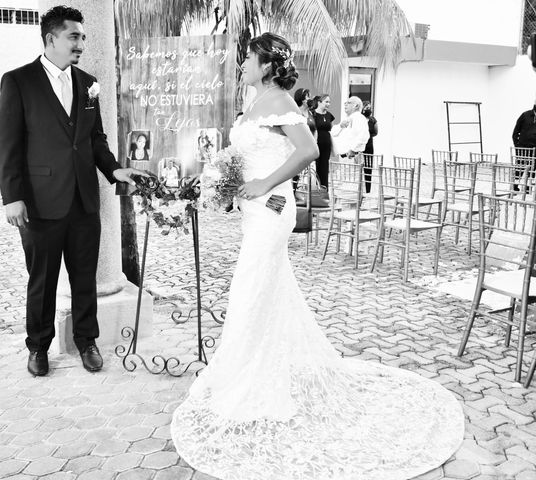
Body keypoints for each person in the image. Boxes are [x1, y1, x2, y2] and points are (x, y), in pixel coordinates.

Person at [171, 32, 464, 480]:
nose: (242, 64)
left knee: (249, 289)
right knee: (266, 291)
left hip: (271, 209)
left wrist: (265, 184)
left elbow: (308, 150)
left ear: (267, 66)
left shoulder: (278, 102)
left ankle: (249, 385)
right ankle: (259, 370)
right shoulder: (255, 102)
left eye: (248, 58)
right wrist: (228, 180)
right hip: (253, 209)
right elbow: (251, 154)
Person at [0, 6, 146, 377]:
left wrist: (113, 169)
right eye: (73, 36)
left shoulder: (88, 82)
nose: (80, 43)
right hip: (39, 202)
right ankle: (38, 348)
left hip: (83, 199)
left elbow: (95, 139)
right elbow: (7, 144)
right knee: (42, 281)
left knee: (85, 278)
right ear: (51, 39)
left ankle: (86, 341)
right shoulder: (18, 81)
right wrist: (12, 197)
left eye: (82, 36)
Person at [292, 88, 316, 193]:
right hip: (297, 147)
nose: (309, 99)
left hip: (309, 148)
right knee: (294, 174)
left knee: (307, 175)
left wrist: (315, 143)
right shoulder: (295, 112)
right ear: (301, 99)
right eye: (307, 97)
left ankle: (306, 200)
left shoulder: (310, 113)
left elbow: (315, 130)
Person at [332, 95, 370, 160]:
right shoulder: (347, 118)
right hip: (342, 157)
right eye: (345, 103)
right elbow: (333, 133)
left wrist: (353, 150)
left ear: (356, 106)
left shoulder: (359, 118)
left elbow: (364, 135)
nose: (346, 105)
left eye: (349, 103)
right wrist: (340, 126)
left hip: (350, 157)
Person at [312, 93, 335, 189]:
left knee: (325, 167)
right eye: (326, 102)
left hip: (327, 144)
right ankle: (315, 190)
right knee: (316, 167)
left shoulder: (329, 115)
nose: (328, 104)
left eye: (329, 102)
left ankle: (324, 190)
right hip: (316, 144)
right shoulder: (313, 114)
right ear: (319, 102)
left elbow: (332, 129)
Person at [362, 100, 378, 193]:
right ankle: (360, 189)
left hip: (369, 146)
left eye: (370, 108)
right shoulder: (359, 119)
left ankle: (368, 190)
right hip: (360, 146)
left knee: (368, 168)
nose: (369, 109)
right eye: (367, 108)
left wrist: (368, 135)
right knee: (359, 168)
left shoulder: (373, 120)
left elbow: (376, 132)